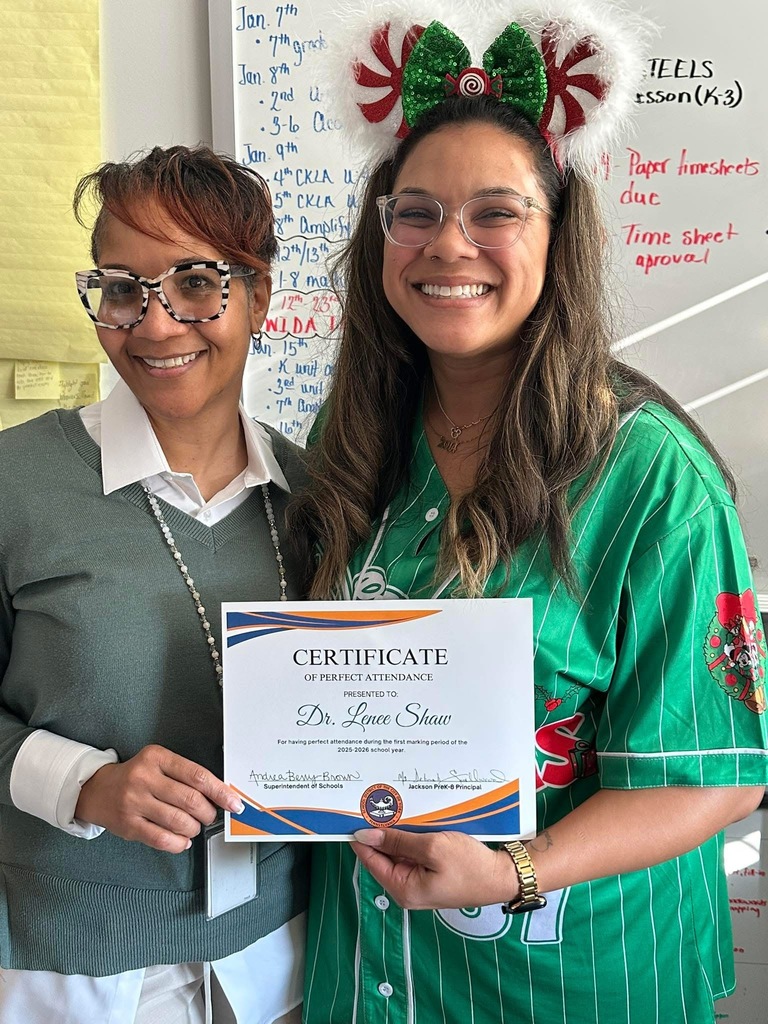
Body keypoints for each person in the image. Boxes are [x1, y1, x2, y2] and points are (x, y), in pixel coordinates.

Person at [290, 4, 768, 1021]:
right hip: (372, 972)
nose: (446, 243)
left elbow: (720, 776)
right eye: (413, 211)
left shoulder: (648, 475)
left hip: (570, 979)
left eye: (495, 211)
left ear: (558, 233)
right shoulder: (352, 433)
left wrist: (517, 867)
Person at [0, 146, 308, 1023]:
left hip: (277, 958)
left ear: (260, 296)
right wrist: (84, 784)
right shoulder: (14, 482)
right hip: (68, 965)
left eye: (197, 283)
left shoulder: (325, 495)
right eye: (122, 289)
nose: (158, 322)